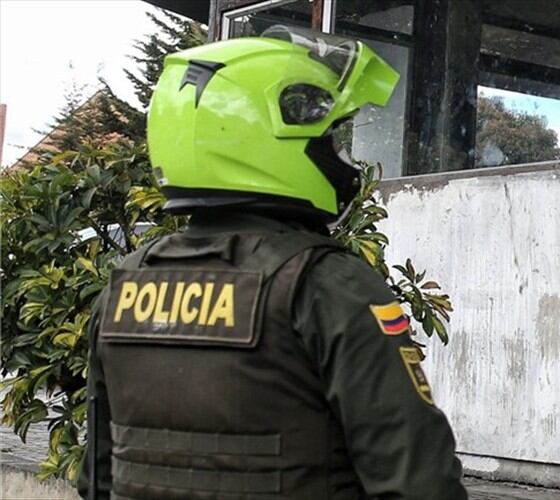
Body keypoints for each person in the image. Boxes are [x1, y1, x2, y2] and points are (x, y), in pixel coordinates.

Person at [77, 25, 467, 500]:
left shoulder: (123, 287)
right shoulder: (325, 285)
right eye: (329, 138)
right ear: (267, 141)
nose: (342, 157)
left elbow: (97, 479)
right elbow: (420, 482)